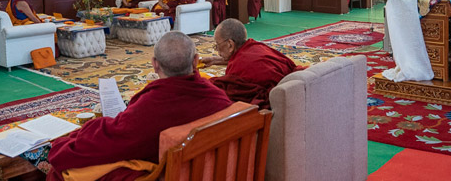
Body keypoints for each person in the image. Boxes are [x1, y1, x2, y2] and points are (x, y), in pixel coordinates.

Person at [47, 32, 232, 181]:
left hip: (172, 172)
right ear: (195, 61)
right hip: (212, 168)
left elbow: (109, 141)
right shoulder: (215, 94)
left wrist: (63, 143)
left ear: (154, 65)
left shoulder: (151, 108)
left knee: (62, 171)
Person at [203, 19, 299, 109]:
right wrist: (214, 60)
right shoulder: (255, 46)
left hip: (279, 100)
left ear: (230, 44)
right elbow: (240, 57)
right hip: (294, 86)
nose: (216, 50)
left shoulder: (237, 68)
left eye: (217, 45)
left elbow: (225, 92)